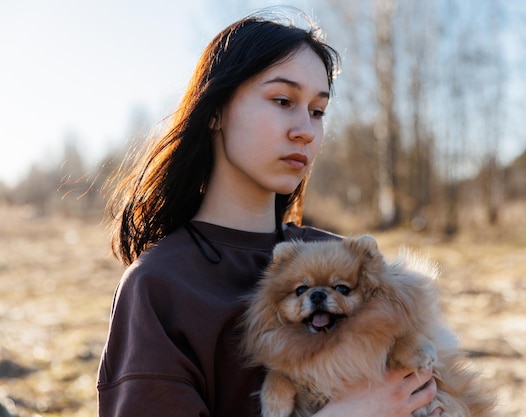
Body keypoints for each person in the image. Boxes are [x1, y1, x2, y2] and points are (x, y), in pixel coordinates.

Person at [97, 8, 441, 417]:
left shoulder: (343, 260)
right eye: (283, 101)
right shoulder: (161, 285)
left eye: (318, 111)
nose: (306, 130)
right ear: (215, 111)